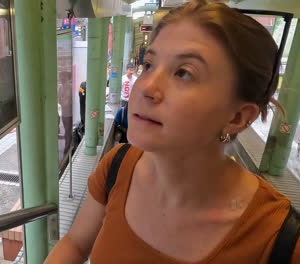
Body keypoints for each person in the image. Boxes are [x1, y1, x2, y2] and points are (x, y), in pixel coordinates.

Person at [45, 1, 300, 263]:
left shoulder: (279, 240)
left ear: (237, 117)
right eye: (149, 65)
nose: (146, 87)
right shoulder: (117, 167)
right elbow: (76, 244)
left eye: (184, 73)